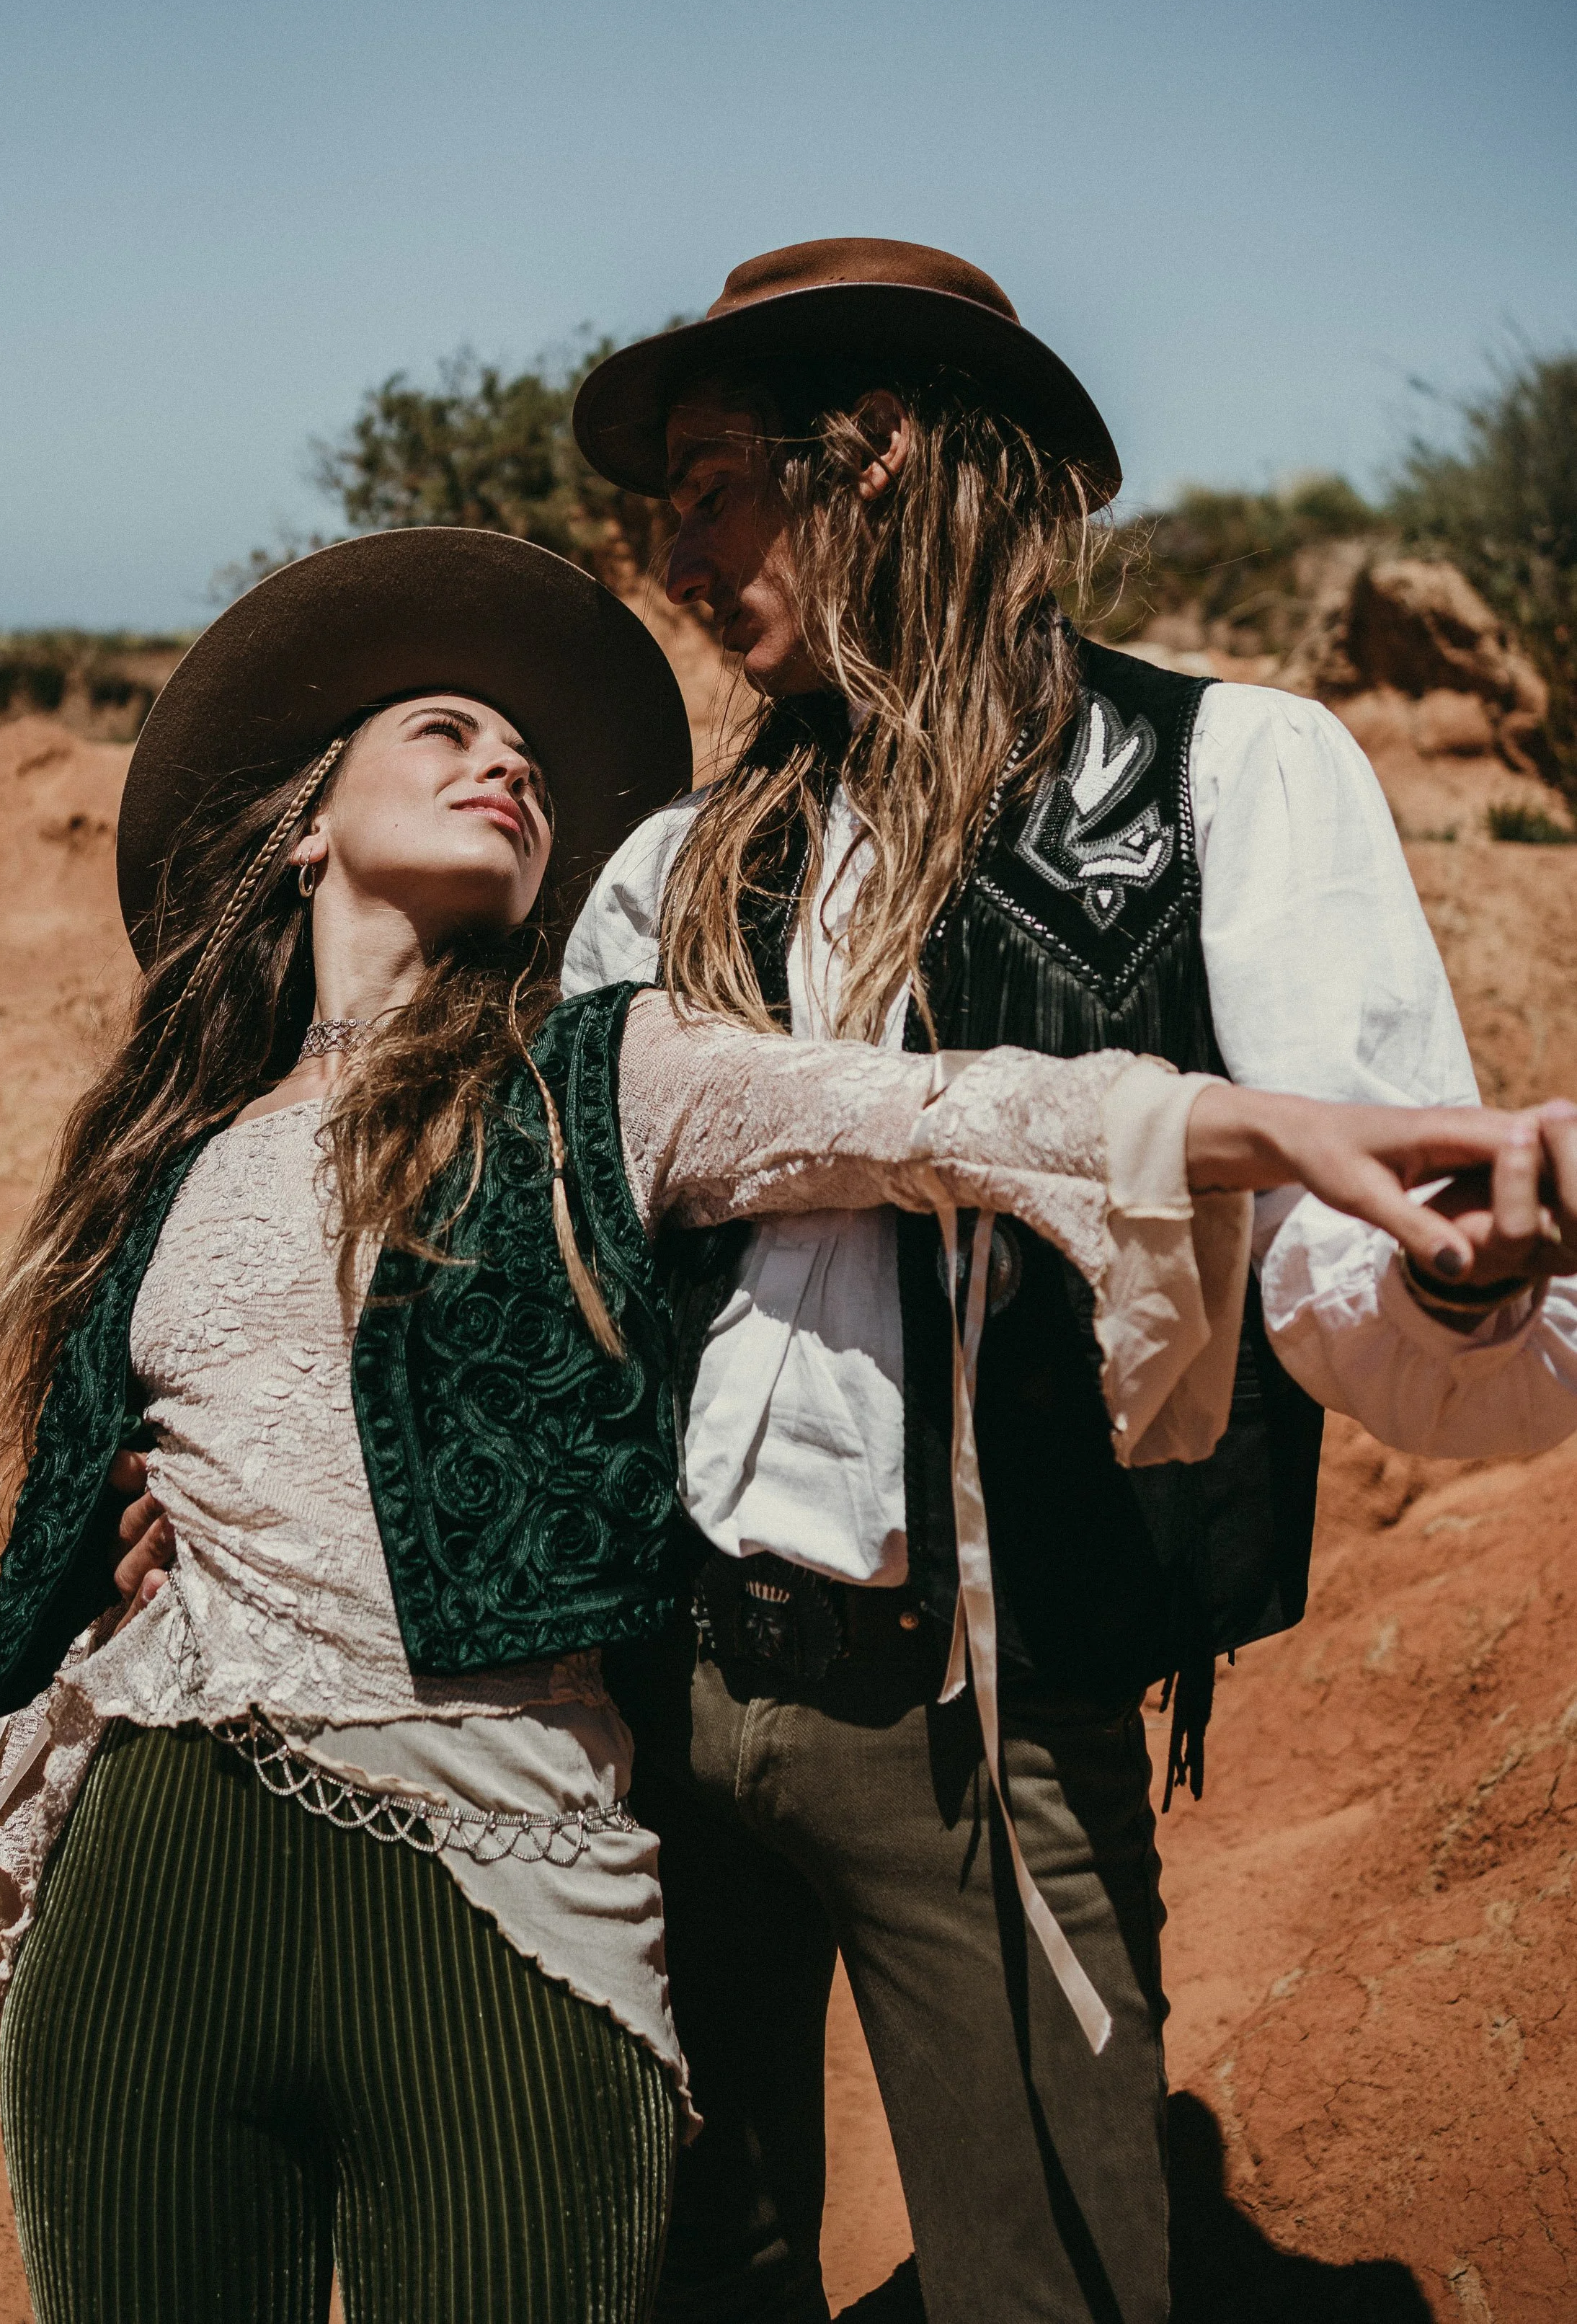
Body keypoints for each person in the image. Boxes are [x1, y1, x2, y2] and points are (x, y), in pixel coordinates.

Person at [0, 529, 1547, 2324]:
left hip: (535, 1892)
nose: (507, 765)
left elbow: (965, 1110)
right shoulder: (165, 1165)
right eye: (445, 733)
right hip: (184, 1892)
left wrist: (1306, 1139)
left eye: (525, 760)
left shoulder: (603, 1073)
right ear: (306, 822)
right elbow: (73, 1631)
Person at [556, 239, 1577, 2324]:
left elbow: (1346, 1274)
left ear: (878, 454)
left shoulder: (1229, 780)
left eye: (707, 478)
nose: (669, 546)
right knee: (693, 2258)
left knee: (1062, 2279)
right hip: (656, 1690)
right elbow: (558, 1249)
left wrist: (1465, 1284)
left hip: (987, 1719)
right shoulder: (666, 867)